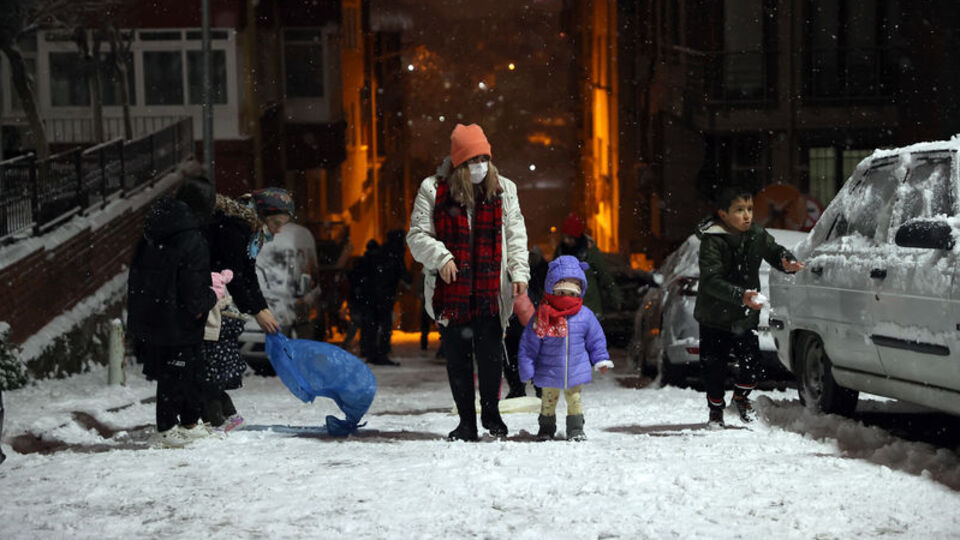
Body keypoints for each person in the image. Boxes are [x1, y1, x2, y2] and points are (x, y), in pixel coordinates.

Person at [407, 123, 530, 441]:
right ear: (459, 163)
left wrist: (519, 272)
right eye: (472, 160)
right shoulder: (433, 190)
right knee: (458, 359)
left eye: (484, 159)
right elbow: (417, 235)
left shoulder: (504, 189)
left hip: (490, 289)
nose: (479, 166)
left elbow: (515, 234)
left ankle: (492, 414)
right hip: (453, 292)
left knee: (491, 357)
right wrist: (442, 256)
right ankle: (466, 422)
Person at [694, 186, 805, 427]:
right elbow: (711, 280)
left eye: (750, 209)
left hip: (744, 315)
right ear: (723, 215)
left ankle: (741, 397)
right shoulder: (712, 240)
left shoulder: (755, 234)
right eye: (739, 210)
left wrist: (786, 260)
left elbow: (773, 250)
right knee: (714, 367)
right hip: (714, 315)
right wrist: (739, 294)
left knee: (752, 366)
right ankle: (715, 410)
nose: (747, 216)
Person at [127, 176, 219, 447]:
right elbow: (193, 288)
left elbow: (142, 274)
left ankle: (189, 422)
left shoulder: (155, 230)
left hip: (156, 313)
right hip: (180, 319)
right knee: (179, 373)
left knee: (184, 371)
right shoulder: (192, 239)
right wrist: (210, 298)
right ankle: (168, 427)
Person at [200, 187, 292, 430]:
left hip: (211, 296)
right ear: (262, 216)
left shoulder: (249, 232)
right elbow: (237, 274)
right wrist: (256, 311)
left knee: (211, 358)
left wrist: (261, 308)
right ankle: (212, 418)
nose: (278, 230)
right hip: (201, 296)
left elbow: (247, 272)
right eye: (276, 223)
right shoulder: (235, 227)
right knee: (207, 359)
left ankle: (220, 416)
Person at [518, 255, 613, 441]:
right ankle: (546, 428)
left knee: (574, 400)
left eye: (572, 294)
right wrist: (527, 367)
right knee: (548, 401)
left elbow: (596, 340)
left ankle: (576, 428)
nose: (566, 299)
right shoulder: (542, 316)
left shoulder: (585, 316)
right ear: (550, 289)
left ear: (580, 292)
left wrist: (600, 358)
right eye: (560, 294)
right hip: (549, 370)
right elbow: (529, 345)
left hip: (575, 370)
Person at [553, 212, 623, 318]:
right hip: (567, 308)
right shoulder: (560, 251)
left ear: (577, 238)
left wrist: (616, 297)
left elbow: (604, 275)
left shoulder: (590, 252)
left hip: (589, 307)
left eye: (570, 238)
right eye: (565, 237)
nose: (567, 241)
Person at [363, 229, 412, 366]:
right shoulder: (395, 253)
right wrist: (408, 279)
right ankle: (381, 353)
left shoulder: (382, 251)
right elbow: (403, 274)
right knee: (385, 325)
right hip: (385, 295)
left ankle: (372, 352)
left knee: (373, 324)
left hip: (372, 294)